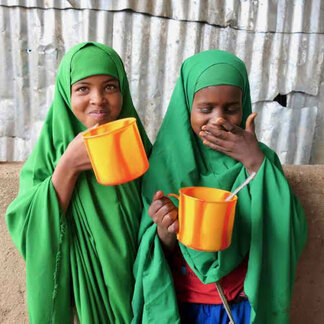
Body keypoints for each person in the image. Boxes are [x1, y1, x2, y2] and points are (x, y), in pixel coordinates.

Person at [132, 50, 307, 323]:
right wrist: (165, 232)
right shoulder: (163, 166)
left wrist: (254, 162)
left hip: (239, 306)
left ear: (244, 105)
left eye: (231, 108)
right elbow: (152, 249)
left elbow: (287, 227)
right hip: (184, 305)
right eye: (205, 109)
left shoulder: (259, 159)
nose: (218, 119)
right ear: (186, 106)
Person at [6, 42, 151, 323]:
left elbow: (155, 230)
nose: (98, 99)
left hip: (137, 295)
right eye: (83, 88)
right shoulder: (51, 154)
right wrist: (68, 166)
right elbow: (26, 224)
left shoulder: (140, 150)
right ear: (65, 93)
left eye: (110, 87)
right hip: (80, 305)